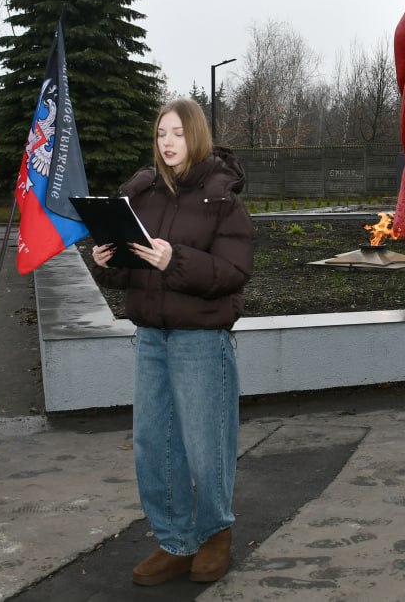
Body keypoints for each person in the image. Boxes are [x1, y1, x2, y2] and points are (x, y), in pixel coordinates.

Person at [90, 98, 253, 586]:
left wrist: (172, 260)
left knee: (206, 445)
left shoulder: (224, 198)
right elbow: (129, 274)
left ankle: (215, 534)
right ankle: (175, 541)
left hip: (200, 340)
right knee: (155, 446)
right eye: (162, 133)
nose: (168, 142)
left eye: (178, 133)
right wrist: (107, 260)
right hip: (152, 337)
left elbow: (232, 273)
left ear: (196, 136)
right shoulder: (141, 194)